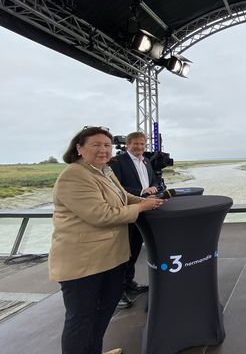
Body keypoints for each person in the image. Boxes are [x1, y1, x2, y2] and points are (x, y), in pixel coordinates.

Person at [49, 126, 164, 354]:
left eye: (107, 145)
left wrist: (147, 200)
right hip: (84, 263)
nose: (103, 150)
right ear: (79, 148)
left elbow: (123, 197)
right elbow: (101, 215)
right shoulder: (74, 175)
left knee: (102, 313)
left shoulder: (104, 171)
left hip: (110, 258)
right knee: (81, 319)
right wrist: (141, 207)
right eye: (96, 145)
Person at [110, 131, 161, 309]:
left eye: (142, 144)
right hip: (128, 211)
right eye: (136, 144)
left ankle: (129, 282)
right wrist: (141, 193)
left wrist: (154, 187)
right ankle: (117, 292)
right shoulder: (118, 162)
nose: (139, 147)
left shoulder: (146, 161)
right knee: (124, 252)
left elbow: (154, 179)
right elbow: (116, 188)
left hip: (142, 211)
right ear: (128, 145)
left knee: (135, 248)